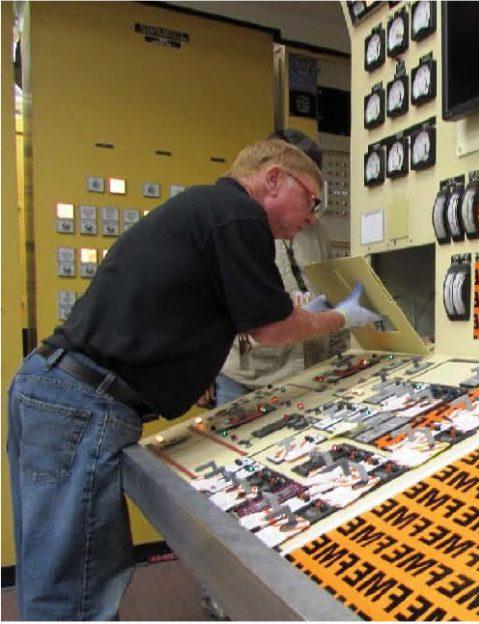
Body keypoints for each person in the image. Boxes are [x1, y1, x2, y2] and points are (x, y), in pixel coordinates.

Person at [5, 139, 380, 620]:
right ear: (273, 179)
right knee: (74, 587)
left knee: (55, 572)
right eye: (310, 199)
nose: (311, 217)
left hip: (59, 391)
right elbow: (270, 329)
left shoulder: (207, 209)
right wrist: (342, 319)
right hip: (83, 402)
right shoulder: (240, 217)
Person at [211, 128, 340, 407]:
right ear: (275, 177)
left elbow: (332, 294)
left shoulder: (318, 233)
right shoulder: (235, 224)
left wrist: (340, 353)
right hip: (246, 376)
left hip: (307, 372)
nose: (309, 208)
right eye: (304, 193)